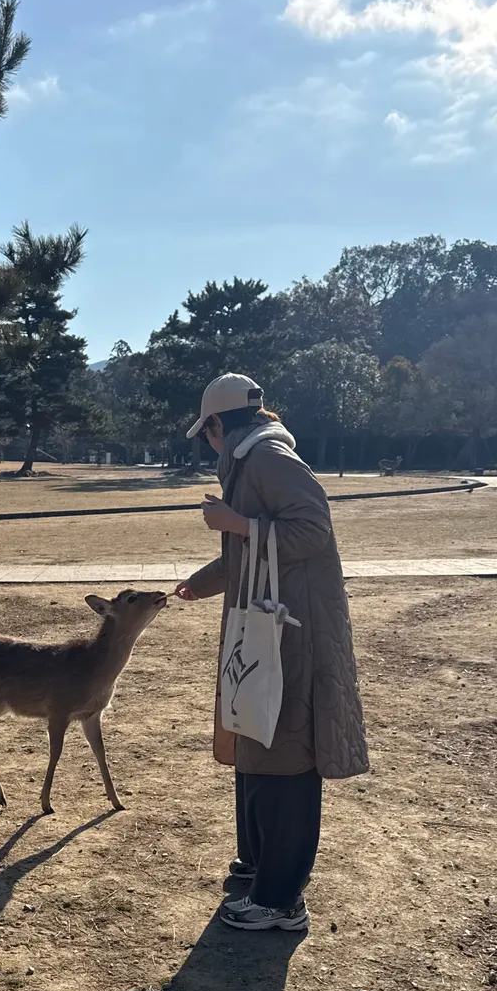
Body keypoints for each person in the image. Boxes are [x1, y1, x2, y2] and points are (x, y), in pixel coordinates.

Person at [175, 374, 369, 932]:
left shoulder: (266, 459)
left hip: (290, 633)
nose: (206, 442)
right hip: (264, 626)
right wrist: (201, 581)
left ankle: (282, 899)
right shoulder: (251, 459)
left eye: (206, 431)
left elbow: (313, 532)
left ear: (217, 424)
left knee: (284, 752)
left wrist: (234, 522)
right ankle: (259, 865)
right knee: (256, 736)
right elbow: (253, 548)